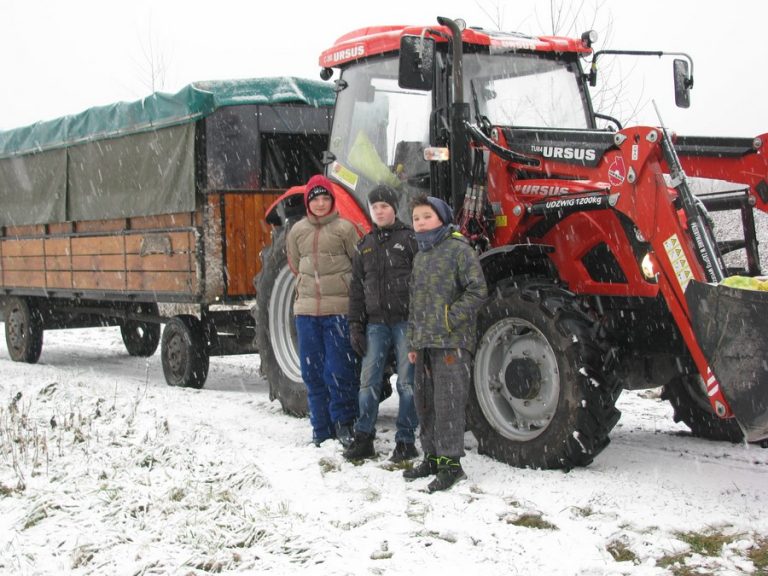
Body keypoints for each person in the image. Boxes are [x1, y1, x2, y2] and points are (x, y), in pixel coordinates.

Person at [403, 195, 487, 492]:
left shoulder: (459, 250)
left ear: (442, 217)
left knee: (448, 402)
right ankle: (432, 457)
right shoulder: (420, 255)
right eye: (416, 218)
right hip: (425, 342)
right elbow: (415, 302)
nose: (421, 222)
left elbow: (477, 291)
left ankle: (452, 465)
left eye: (426, 216)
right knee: (424, 403)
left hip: (452, 341)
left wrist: (450, 318)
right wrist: (413, 341)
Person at [344, 185, 419, 462]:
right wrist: (355, 325)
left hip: (405, 323)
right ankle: (364, 437)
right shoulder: (365, 246)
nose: (379, 211)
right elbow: (356, 290)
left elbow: (420, 284)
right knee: (368, 383)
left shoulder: (410, 240)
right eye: (375, 207)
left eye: (384, 206)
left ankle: (406, 440)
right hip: (375, 325)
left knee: (407, 384)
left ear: (394, 208)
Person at [286, 174, 361, 448]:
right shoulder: (297, 231)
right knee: (312, 371)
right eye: (315, 198)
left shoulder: (345, 228)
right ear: (308, 201)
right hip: (306, 312)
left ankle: (344, 422)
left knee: (339, 369)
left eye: (324, 197)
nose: (320, 203)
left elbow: (357, 263)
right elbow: (295, 264)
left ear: (332, 200)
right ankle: (320, 428)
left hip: (338, 309)